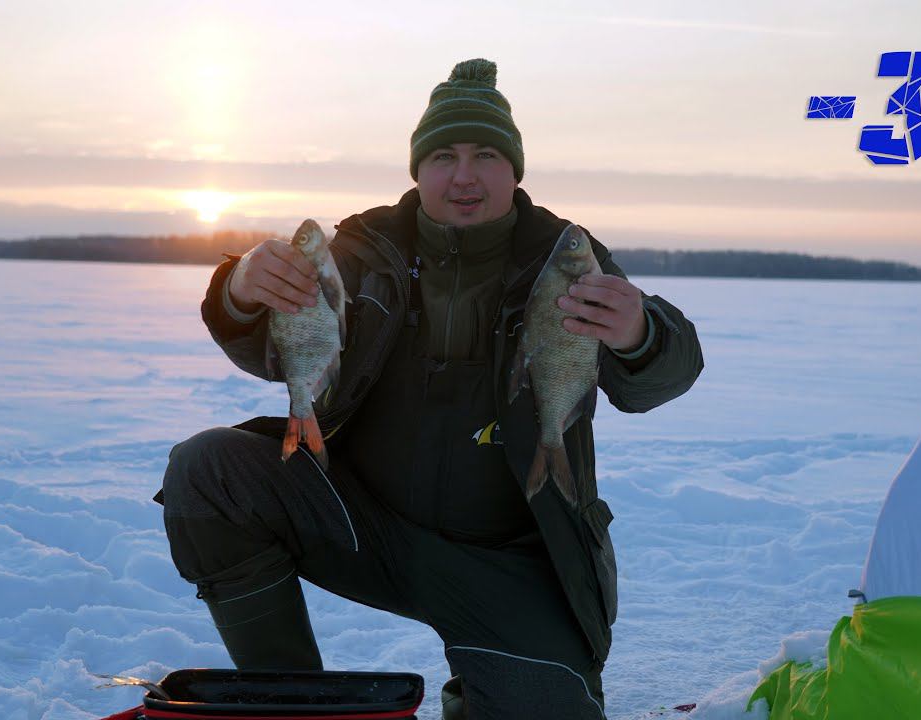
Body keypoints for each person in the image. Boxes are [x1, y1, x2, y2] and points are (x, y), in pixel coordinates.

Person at [154, 58, 704, 720]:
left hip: (515, 559)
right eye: (443, 155)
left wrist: (641, 330)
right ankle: (292, 699)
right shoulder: (362, 251)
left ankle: (485, 680)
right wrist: (241, 290)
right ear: (418, 169)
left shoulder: (563, 256)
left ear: (514, 171)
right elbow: (279, 351)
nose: (464, 175)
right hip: (366, 526)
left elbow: (659, 377)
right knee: (209, 470)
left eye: (486, 155)